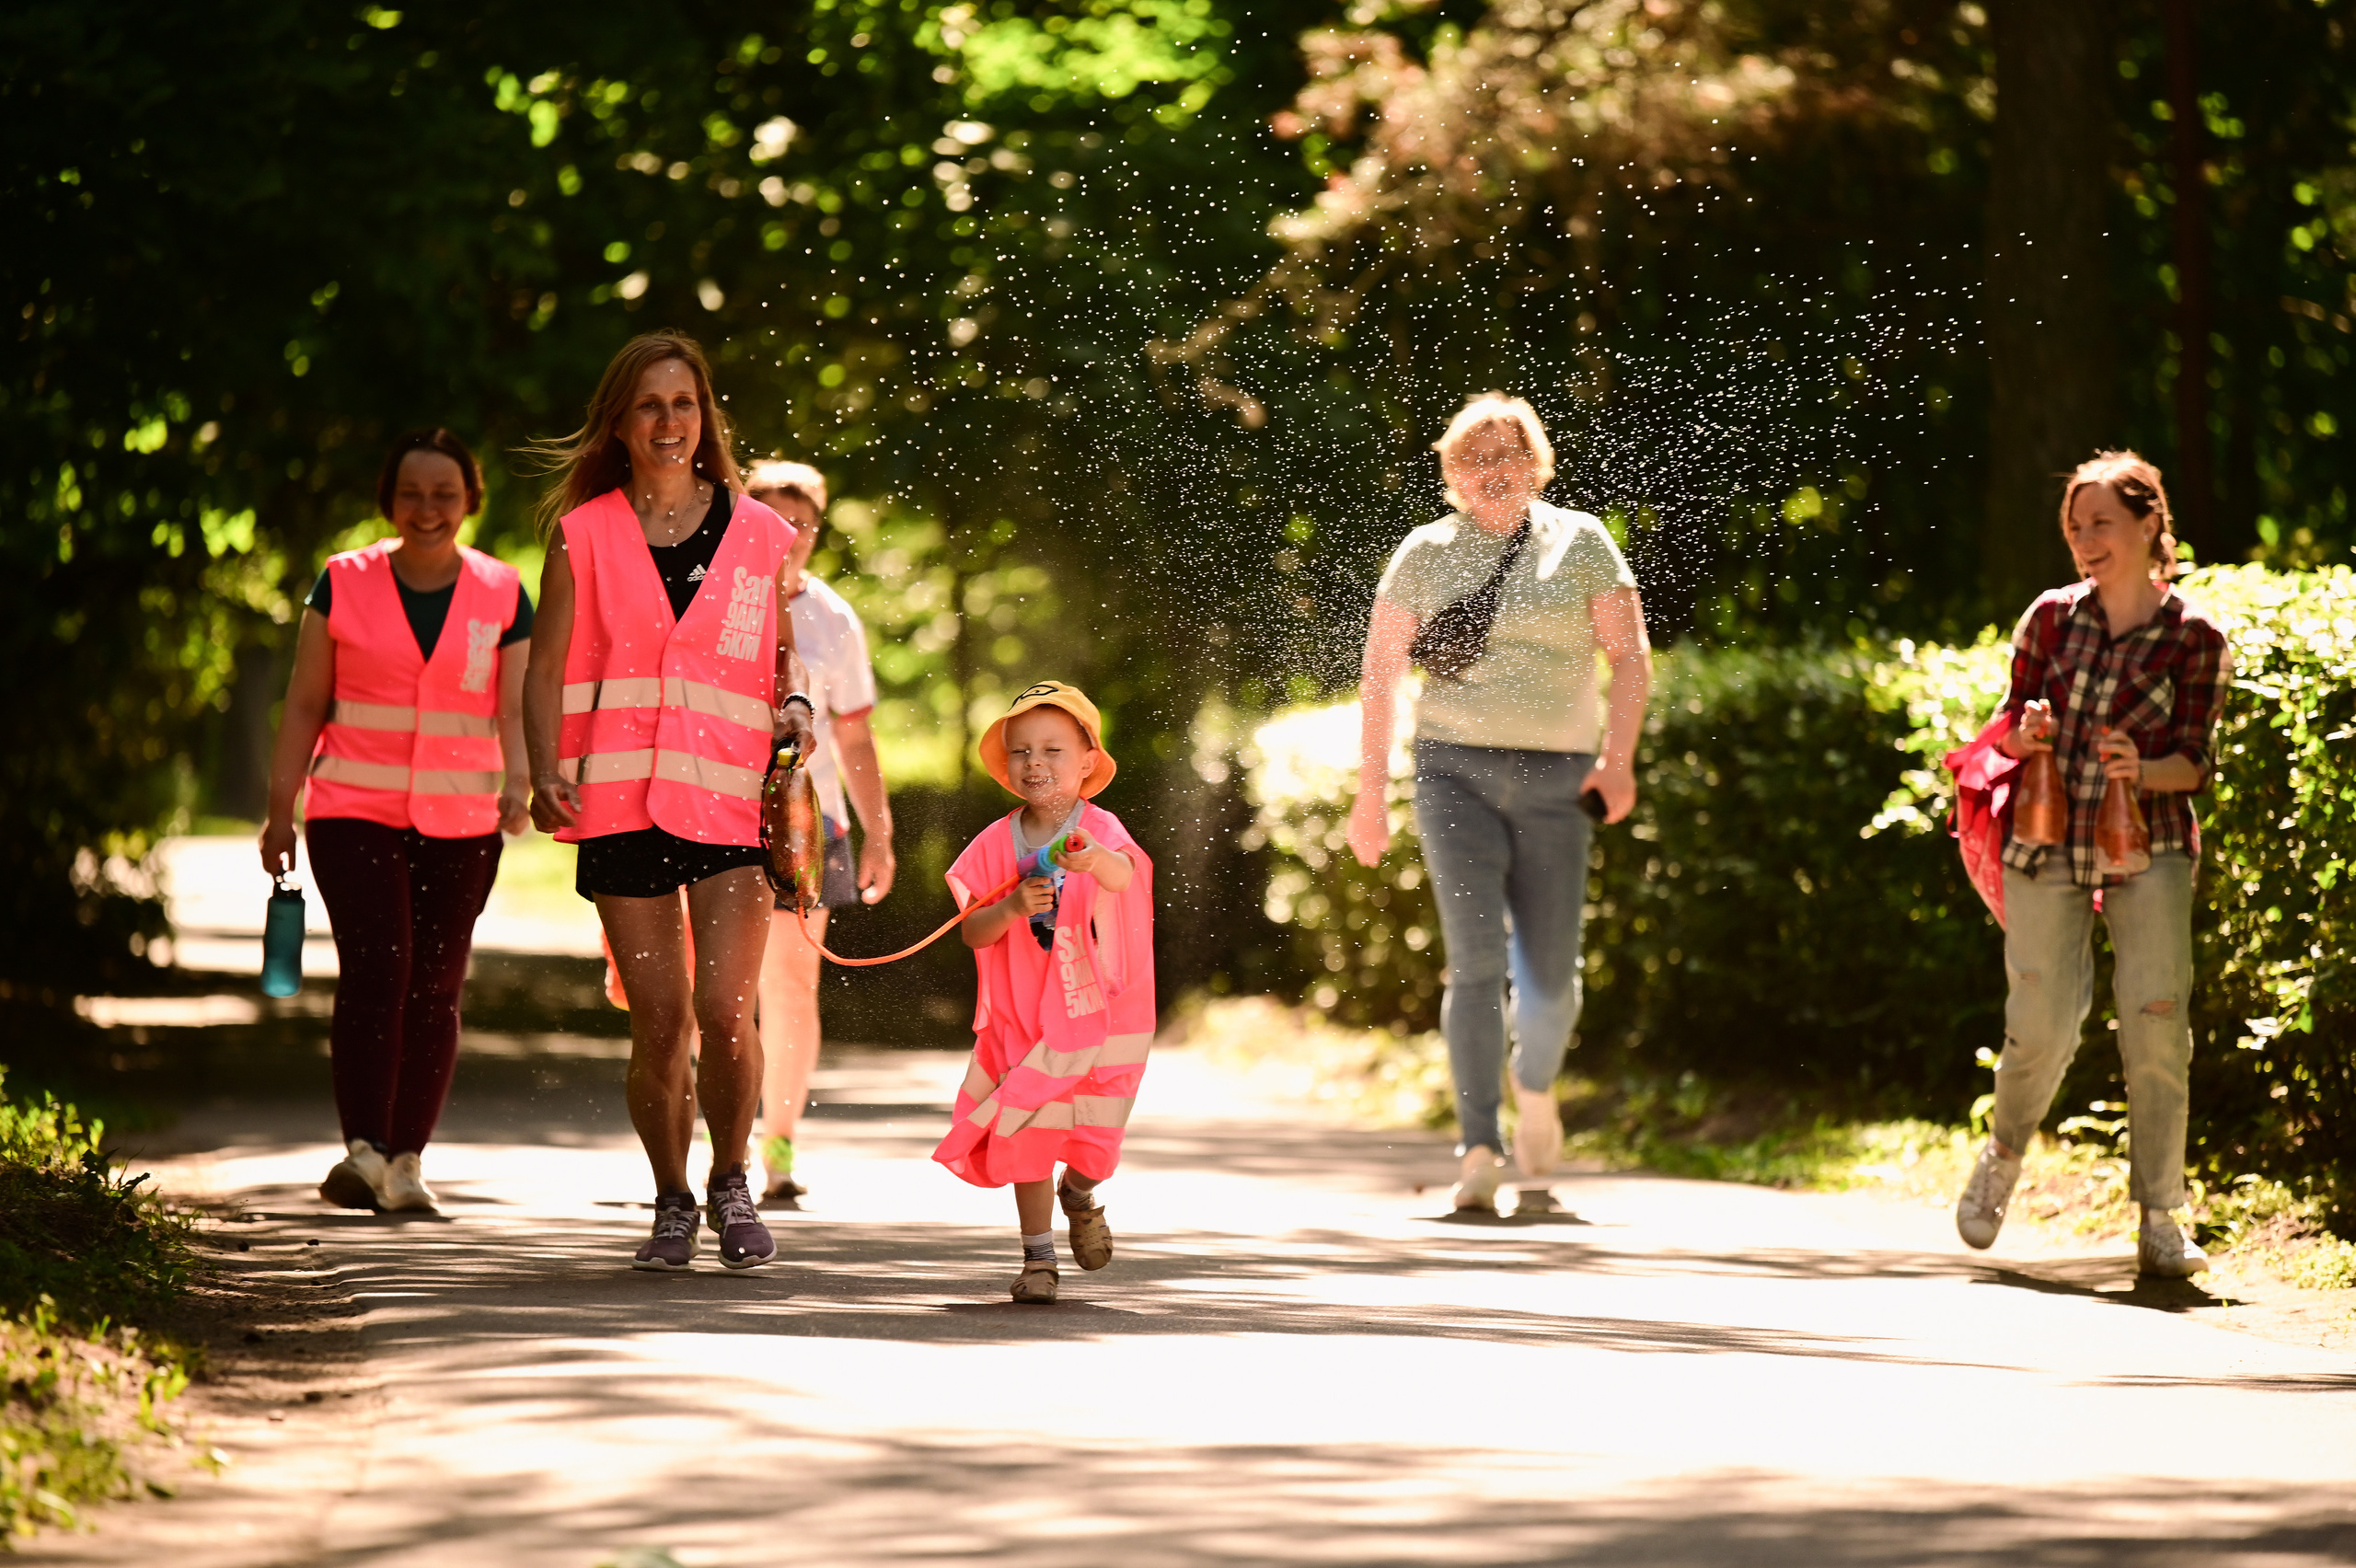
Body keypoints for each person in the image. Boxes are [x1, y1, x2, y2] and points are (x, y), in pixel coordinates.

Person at [521, 331, 817, 1273]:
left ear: (706, 417)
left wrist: (799, 708)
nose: (668, 421)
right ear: (619, 421)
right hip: (619, 800)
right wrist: (543, 767)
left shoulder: (761, 535)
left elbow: (780, 658)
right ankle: (671, 1199)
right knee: (661, 1024)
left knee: (728, 1011)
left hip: (731, 803)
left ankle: (732, 1180)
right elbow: (548, 667)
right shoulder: (583, 533)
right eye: (649, 405)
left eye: (683, 403)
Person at [1346, 393, 1652, 1216]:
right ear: (1451, 470)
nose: (1494, 471)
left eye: (1510, 454)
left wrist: (1617, 763)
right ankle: (1479, 1146)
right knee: (1476, 964)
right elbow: (1379, 679)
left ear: (1537, 464)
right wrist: (1370, 795)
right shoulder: (1423, 553)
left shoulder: (1582, 544)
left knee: (1552, 985)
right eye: (1475, 457)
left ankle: (1535, 1085)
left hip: (1560, 782)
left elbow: (1629, 660)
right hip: (1453, 775)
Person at [1953, 452, 2230, 1278]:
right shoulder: (2048, 619)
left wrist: (2138, 771)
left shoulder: (2196, 637)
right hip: (2048, 834)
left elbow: (2196, 765)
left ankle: (2160, 1218)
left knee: (2156, 1021)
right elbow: (2002, 730)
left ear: (2151, 524)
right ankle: (2004, 1154)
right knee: (2041, 1020)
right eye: (2075, 527)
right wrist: (2026, 734)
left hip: (2150, 844)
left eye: (2101, 523)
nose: (2083, 541)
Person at [260, 429, 532, 1214]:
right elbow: (306, 702)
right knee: (380, 971)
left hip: (464, 819)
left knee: (438, 988)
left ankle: (409, 1160)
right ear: (389, 500)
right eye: (412, 493)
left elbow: (511, 708)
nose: (427, 509)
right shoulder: (341, 582)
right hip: (353, 812)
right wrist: (281, 813)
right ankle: (364, 1152)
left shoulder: (503, 591)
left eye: (444, 494)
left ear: (470, 500)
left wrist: (520, 786)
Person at [934, 683, 1155, 1304]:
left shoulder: (1102, 830)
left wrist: (1093, 863)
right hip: (1025, 1017)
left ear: (1088, 759)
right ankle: (1037, 1258)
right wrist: (1007, 906)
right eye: (1022, 750)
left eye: (1054, 750)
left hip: (1101, 1016)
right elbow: (973, 931)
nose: (1036, 763)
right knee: (1024, 1131)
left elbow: (1127, 877)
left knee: (1096, 1139)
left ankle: (1080, 1192)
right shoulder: (993, 844)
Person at [739, 460, 896, 1206]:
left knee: (792, 985)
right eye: (771, 518)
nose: (788, 535)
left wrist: (880, 832)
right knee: (720, 986)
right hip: (719, 819)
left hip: (812, 827)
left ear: (817, 529)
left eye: (800, 521)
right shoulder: (717, 597)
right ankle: (721, 1133)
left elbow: (857, 741)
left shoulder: (835, 618)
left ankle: (780, 1142)